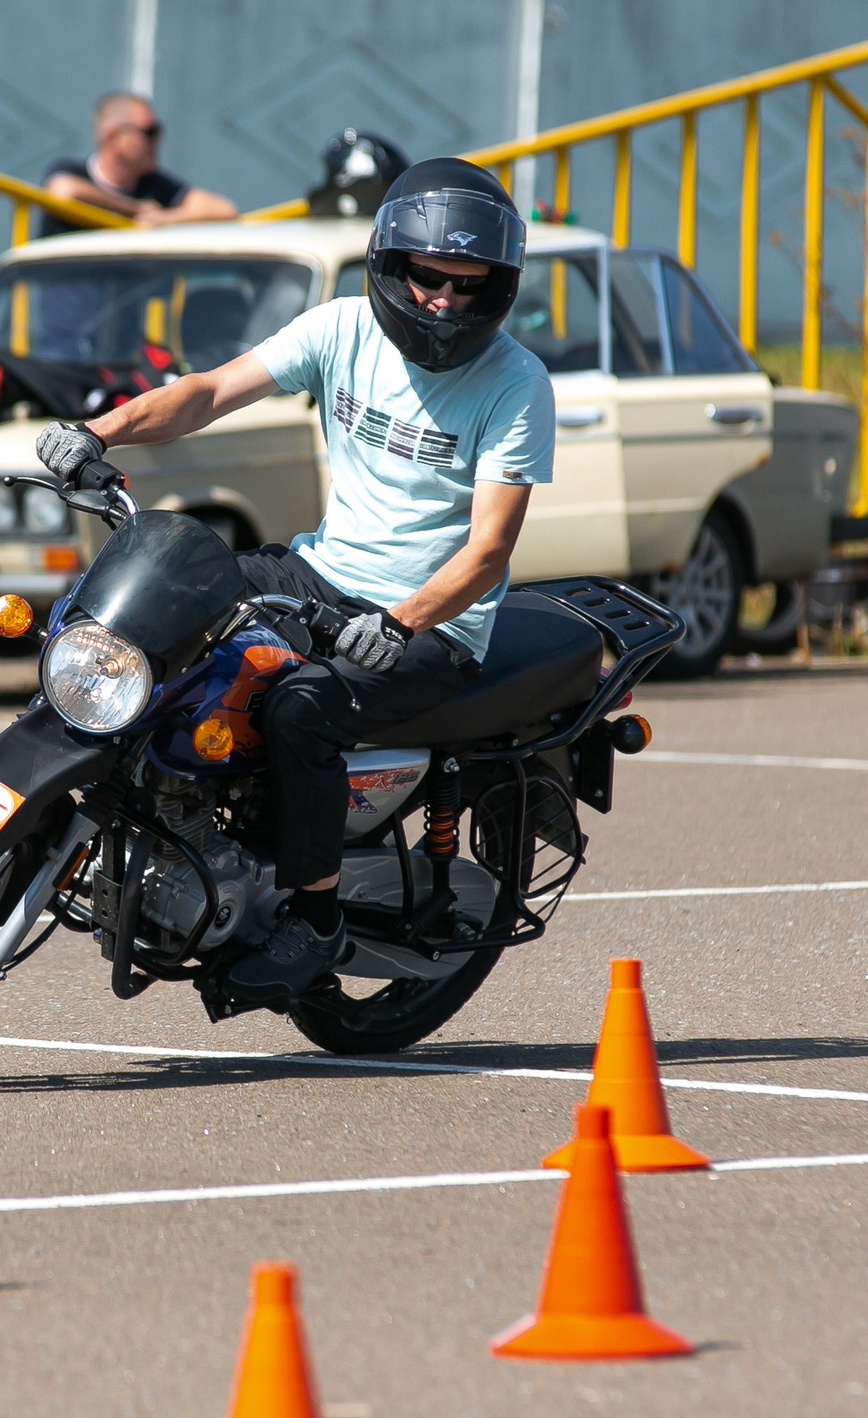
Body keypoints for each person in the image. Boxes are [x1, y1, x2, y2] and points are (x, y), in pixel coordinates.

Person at [32, 158, 554, 1002]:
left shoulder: (515, 383)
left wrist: (402, 621)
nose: (445, 301)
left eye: (469, 284)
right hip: (320, 568)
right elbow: (206, 393)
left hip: (429, 623)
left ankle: (314, 919)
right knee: (165, 597)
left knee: (299, 706)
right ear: (392, 266)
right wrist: (97, 431)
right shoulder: (342, 327)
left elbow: (489, 550)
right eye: (428, 278)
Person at [39, 92, 238, 236]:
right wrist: (135, 210)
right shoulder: (72, 171)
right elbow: (64, 193)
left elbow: (224, 209)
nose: (158, 141)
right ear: (113, 137)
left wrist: (163, 220)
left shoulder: (152, 184)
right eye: (149, 132)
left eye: (158, 131)